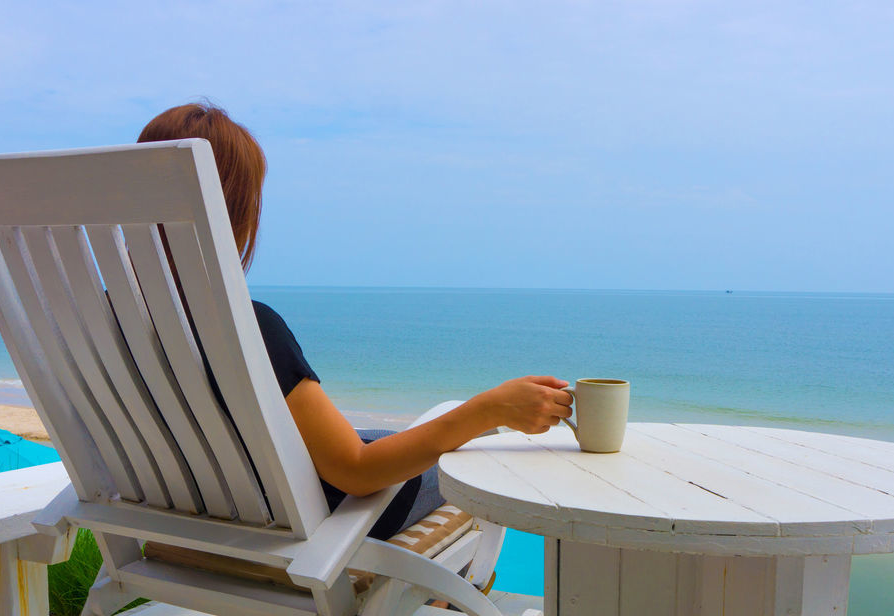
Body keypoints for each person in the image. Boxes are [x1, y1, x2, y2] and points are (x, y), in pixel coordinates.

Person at [138, 102, 573, 538]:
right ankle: (443, 595)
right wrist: (489, 408)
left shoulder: (105, 324)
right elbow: (357, 472)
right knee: (469, 458)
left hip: (191, 520)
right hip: (309, 526)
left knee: (382, 432)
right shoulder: (245, 329)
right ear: (232, 212)